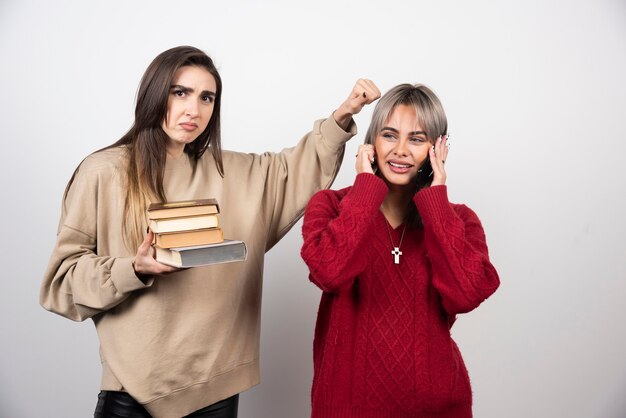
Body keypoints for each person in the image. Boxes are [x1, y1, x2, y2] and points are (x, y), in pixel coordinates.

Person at [40, 45, 381, 418]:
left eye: (207, 98)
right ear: (155, 94)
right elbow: (62, 282)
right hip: (131, 390)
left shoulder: (229, 172)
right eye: (180, 92)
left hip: (215, 389)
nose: (194, 110)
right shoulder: (102, 173)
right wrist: (133, 269)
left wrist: (343, 114)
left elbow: (293, 170)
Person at [301, 83, 500, 417]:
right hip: (346, 408)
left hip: (438, 407)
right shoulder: (332, 206)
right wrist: (365, 190)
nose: (401, 150)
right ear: (371, 143)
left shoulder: (459, 220)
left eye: (417, 139)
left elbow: (466, 296)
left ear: (438, 149)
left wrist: (437, 202)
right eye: (390, 135)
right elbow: (329, 273)